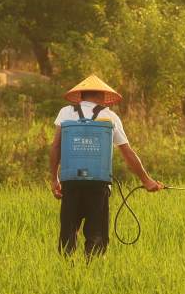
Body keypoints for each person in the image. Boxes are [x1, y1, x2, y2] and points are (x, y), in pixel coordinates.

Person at [49, 75, 163, 257]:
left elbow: (55, 146)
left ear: (81, 95)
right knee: (97, 236)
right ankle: (93, 274)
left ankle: (66, 272)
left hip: (71, 181)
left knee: (68, 233)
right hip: (98, 183)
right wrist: (146, 180)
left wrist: (54, 179)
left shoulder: (66, 113)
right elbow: (127, 152)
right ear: (101, 96)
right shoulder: (109, 116)